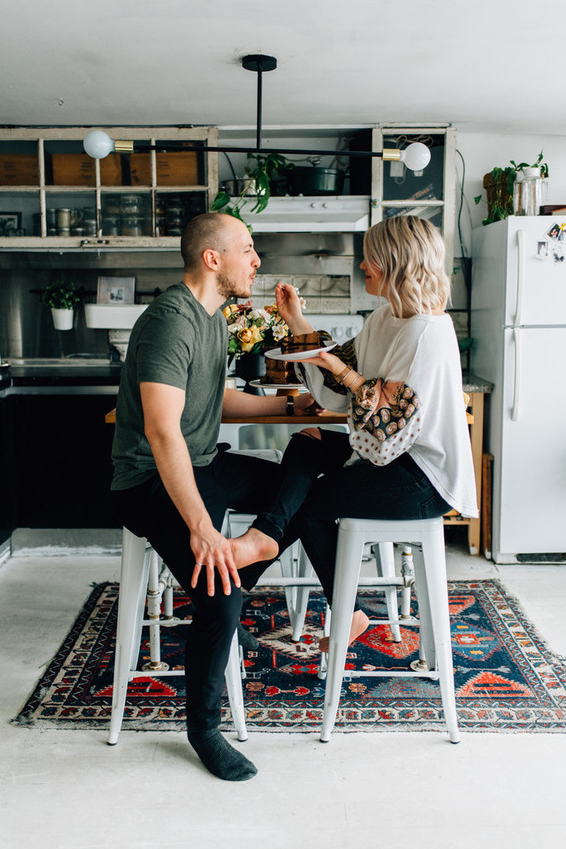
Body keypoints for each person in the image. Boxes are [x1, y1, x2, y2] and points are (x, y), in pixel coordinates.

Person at [110, 212, 320, 782]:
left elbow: (215, 399)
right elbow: (161, 432)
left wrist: (286, 406)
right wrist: (203, 530)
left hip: (201, 464)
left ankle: (241, 569)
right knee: (220, 592)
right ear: (212, 259)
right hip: (147, 478)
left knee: (307, 486)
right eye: (247, 249)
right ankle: (203, 726)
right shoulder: (169, 322)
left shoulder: (213, 320)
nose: (256, 260)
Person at [230, 215, 478, 649]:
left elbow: (388, 426)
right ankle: (259, 544)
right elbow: (338, 391)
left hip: (424, 477)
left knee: (309, 504)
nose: (362, 265)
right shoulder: (385, 318)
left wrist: (339, 370)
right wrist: (296, 320)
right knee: (308, 439)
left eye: (371, 258)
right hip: (393, 455)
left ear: (395, 262)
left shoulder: (427, 333)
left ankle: (341, 612)